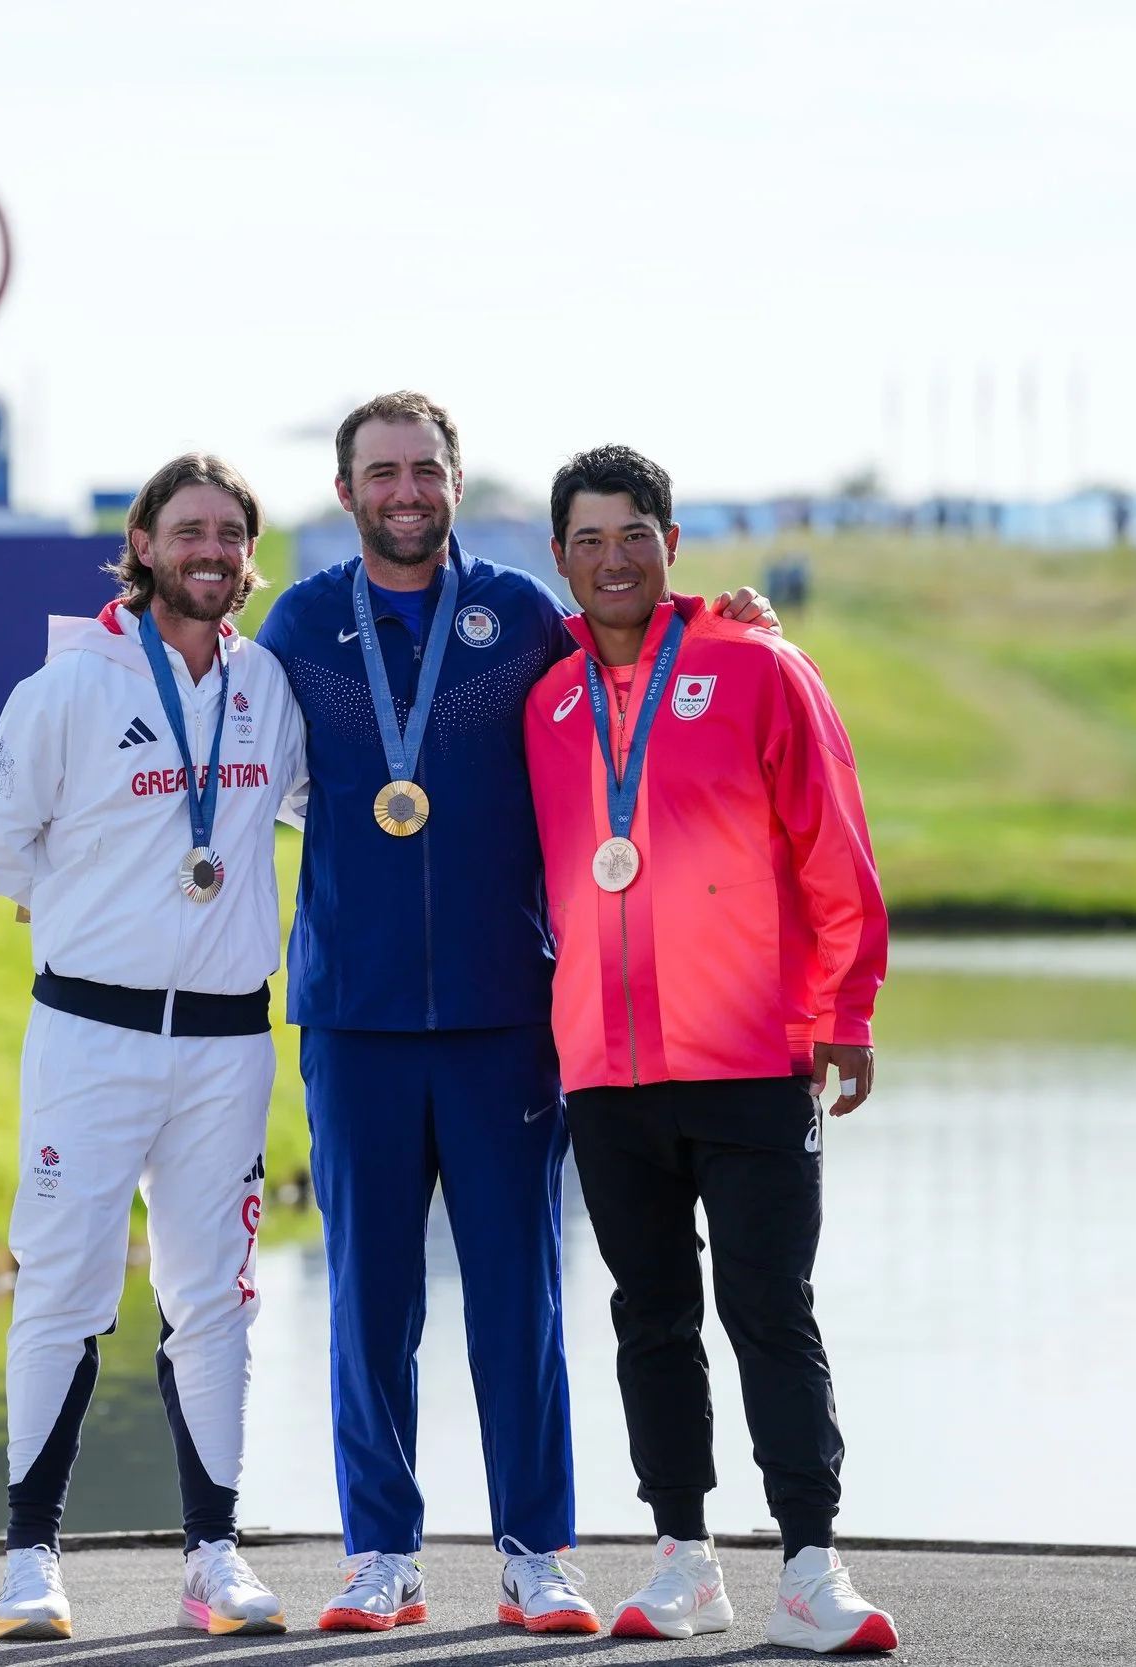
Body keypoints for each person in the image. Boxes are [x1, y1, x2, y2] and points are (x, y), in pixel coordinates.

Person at [254, 393, 772, 1635]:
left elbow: (633, 672)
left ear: (454, 479)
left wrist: (729, 622)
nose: (404, 490)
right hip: (356, 1013)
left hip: (507, 1010)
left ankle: (538, 1548)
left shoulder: (523, 620)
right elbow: (224, 727)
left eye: (424, 469)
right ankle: (381, 1551)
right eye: (380, 471)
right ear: (345, 492)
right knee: (369, 1301)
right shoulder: (304, 622)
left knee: (519, 1295)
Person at [524, 445, 897, 1653]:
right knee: (649, 1314)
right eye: (587, 540)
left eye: (633, 533)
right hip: (605, 1064)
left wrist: (844, 1010)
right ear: (560, 559)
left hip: (749, 1053)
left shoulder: (756, 665)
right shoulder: (548, 701)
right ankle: (682, 1555)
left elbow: (833, 848)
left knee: (768, 1306)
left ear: (671, 541)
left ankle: (810, 1561)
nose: (612, 559)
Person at [0, 454, 308, 1641]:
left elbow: (326, 797)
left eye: (231, 533)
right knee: (62, 1286)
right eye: (189, 530)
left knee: (215, 1297)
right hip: (90, 1032)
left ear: (248, 556)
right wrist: (66, 897)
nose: (211, 550)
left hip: (224, 1041)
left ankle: (213, 1552)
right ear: (144, 544)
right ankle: (29, 1557)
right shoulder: (70, 682)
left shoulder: (267, 683)